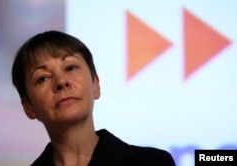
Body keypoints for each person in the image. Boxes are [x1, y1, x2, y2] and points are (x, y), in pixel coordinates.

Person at [11, 30, 176, 166]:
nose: (61, 81)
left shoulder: (153, 162)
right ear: (28, 107)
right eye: (43, 78)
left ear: (95, 85)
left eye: (70, 67)